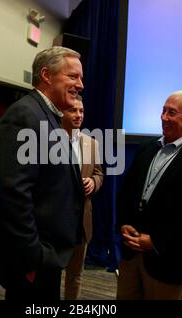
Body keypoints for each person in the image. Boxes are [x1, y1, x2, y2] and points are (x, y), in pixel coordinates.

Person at [0, 46, 85, 300]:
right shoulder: (25, 115)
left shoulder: (49, 116)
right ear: (46, 75)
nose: (81, 84)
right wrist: (34, 258)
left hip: (48, 255)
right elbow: (13, 195)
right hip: (35, 259)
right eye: (73, 76)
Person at [116, 90, 182, 300]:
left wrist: (156, 241)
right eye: (163, 110)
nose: (164, 117)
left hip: (169, 262)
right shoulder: (146, 148)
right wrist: (124, 223)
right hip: (131, 254)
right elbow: (127, 192)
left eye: (172, 113)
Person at [61, 95, 103, 299]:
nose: (78, 115)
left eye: (81, 111)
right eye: (73, 110)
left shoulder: (92, 143)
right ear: (61, 112)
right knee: (49, 275)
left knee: (75, 276)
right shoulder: (49, 141)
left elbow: (99, 173)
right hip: (55, 221)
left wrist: (94, 182)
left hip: (81, 222)